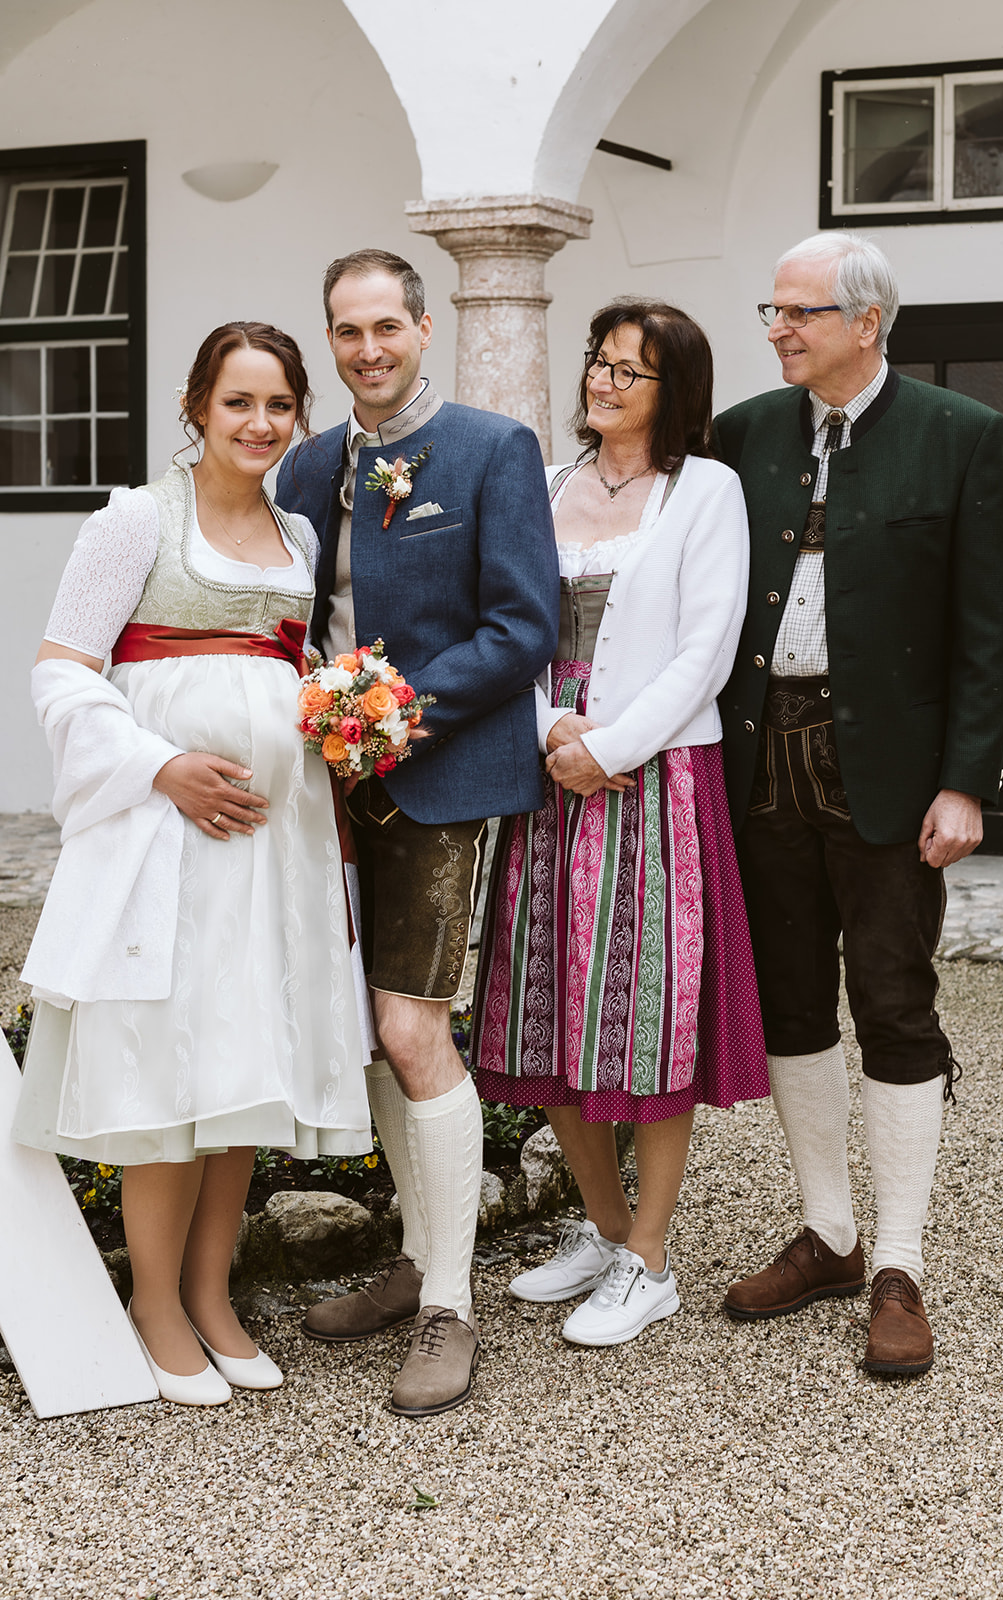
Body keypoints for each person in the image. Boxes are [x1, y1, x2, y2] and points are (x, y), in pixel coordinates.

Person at [14, 322, 374, 1406]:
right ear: (196, 408)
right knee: (173, 1062)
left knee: (244, 1062)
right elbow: (62, 671)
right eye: (237, 404)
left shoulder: (299, 535)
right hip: (169, 838)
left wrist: (342, 722)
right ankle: (155, 1304)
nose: (259, 425)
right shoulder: (133, 521)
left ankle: (213, 1295)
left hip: (277, 845)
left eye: (278, 406)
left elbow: (288, 669)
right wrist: (163, 765)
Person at [713, 233, 1003, 1375]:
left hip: (890, 771)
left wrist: (965, 780)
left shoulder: (960, 435)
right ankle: (828, 1233)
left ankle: (897, 1261)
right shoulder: (744, 432)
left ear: (867, 322)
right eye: (772, 309)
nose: (778, 328)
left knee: (891, 1001)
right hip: (762, 761)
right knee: (790, 1001)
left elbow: (987, 631)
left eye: (799, 312)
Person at [275, 249, 558, 1416]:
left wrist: (396, 712)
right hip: (323, 788)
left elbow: (522, 623)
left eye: (385, 326)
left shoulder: (494, 449)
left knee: (410, 1021)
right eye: (346, 332)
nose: (367, 349)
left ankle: (449, 1302)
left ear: (425, 328)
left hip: (439, 776)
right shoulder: (302, 465)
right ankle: (412, 1252)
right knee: (364, 1028)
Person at [470, 298, 769, 1348]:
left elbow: (706, 648)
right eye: (598, 362)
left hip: (654, 781)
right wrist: (555, 730)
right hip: (548, 772)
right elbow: (511, 627)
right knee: (542, 1004)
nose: (602, 381)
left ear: (671, 389)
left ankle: (648, 1256)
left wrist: (612, 744)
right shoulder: (542, 486)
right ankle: (600, 1231)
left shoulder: (705, 491)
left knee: (645, 1017)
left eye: (628, 371)